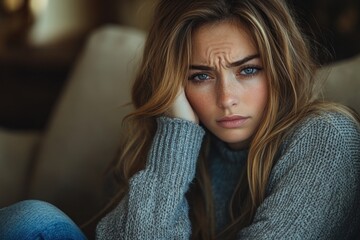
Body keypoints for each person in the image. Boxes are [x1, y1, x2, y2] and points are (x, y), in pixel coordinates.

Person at [0, 0, 359, 239]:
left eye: (248, 70)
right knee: (31, 219)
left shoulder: (326, 137)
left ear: (279, 68)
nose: (226, 98)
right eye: (200, 76)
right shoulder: (176, 142)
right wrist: (176, 135)